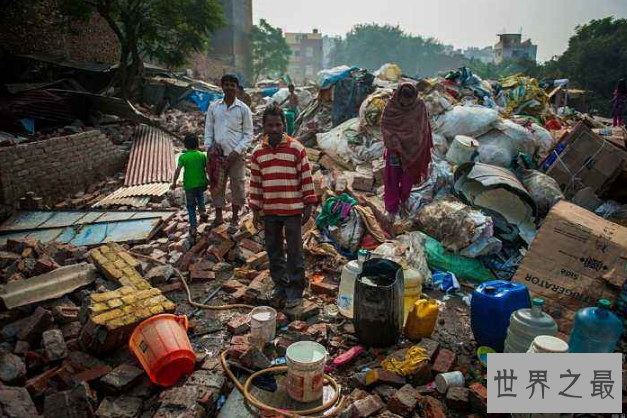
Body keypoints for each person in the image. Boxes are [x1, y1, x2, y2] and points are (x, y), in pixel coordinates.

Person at [249, 104, 317, 309]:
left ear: (284, 125)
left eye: (278, 124)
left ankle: (296, 288)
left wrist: (308, 206)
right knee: (274, 250)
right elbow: (255, 183)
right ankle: (280, 284)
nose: (274, 129)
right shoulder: (258, 153)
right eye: (270, 125)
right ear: (263, 126)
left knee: (295, 251)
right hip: (269, 211)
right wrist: (255, 210)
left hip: (292, 210)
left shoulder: (297, 149)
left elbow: (306, 178)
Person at [204, 74, 254, 234]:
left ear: (237, 88)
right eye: (227, 84)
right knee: (216, 187)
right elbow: (208, 129)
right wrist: (209, 148)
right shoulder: (213, 107)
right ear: (222, 86)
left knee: (237, 186)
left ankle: (234, 218)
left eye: (232, 85)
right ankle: (218, 217)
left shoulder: (244, 109)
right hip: (216, 156)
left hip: (236, 156)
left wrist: (236, 152)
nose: (229, 87)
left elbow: (248, 135)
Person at [381, 81, 433, 218]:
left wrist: (417, 144)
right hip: (395, 149)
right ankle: (391, 206)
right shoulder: (392, 105)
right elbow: (386, 125)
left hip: (413, 151)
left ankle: (403, 200)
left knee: (407, 179)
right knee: (392, 178)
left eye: (408, 102)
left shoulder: (419, 106)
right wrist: (395, 143)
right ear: (399, 96)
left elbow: (423, 129)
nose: (405, 104)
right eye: (403, 101)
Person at [171, 134, 209, 238]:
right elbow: (208, 168)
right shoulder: (202, 155)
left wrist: (174, 183)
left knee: (191, 206)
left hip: (189, 185)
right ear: (197, 144)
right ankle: (202, 211)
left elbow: (178, 170)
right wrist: (209, 180)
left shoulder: (183, 157)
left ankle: (193, 227)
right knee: (200, 196)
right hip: (201, 183)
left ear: (185, 146)